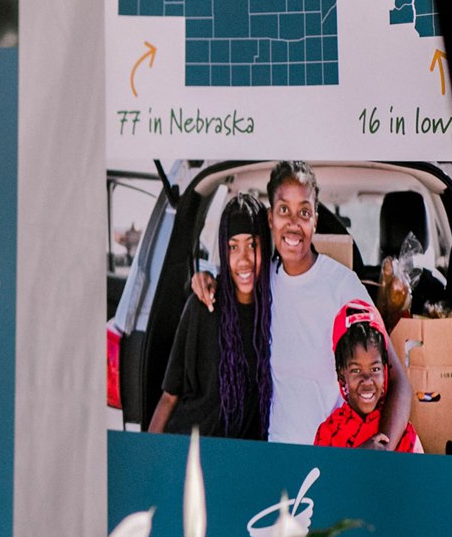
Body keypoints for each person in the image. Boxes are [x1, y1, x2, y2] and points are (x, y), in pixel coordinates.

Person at [193, 162, 412, 446]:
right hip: (276, 454)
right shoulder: (262, 282)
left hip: (333, 455)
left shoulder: (342, 286)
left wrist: (381, 448)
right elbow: (232, 279)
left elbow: (399, 383)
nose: (294, 223)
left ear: (315, 221)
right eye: (284, 210)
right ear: (270, 218)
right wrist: (204, 279)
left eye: (304, 212)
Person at [148, 193, 270, 439]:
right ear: (223, 253)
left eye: (252, 245)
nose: (243, 259)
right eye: (233, 247)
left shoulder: (276, 310)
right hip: (192, 450)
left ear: (265, 246)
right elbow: (170, 396)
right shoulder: (203, 306)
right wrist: (147, 461)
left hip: (244, 458)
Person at [314, 301, 420, 452]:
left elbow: (418, 474)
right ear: (341, 375)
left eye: (375, 369)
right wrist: (360, 459)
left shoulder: (403, 434)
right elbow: (321, 474)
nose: (367, 381)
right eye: (356, 370)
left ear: (385, 371)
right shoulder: (328, 434)